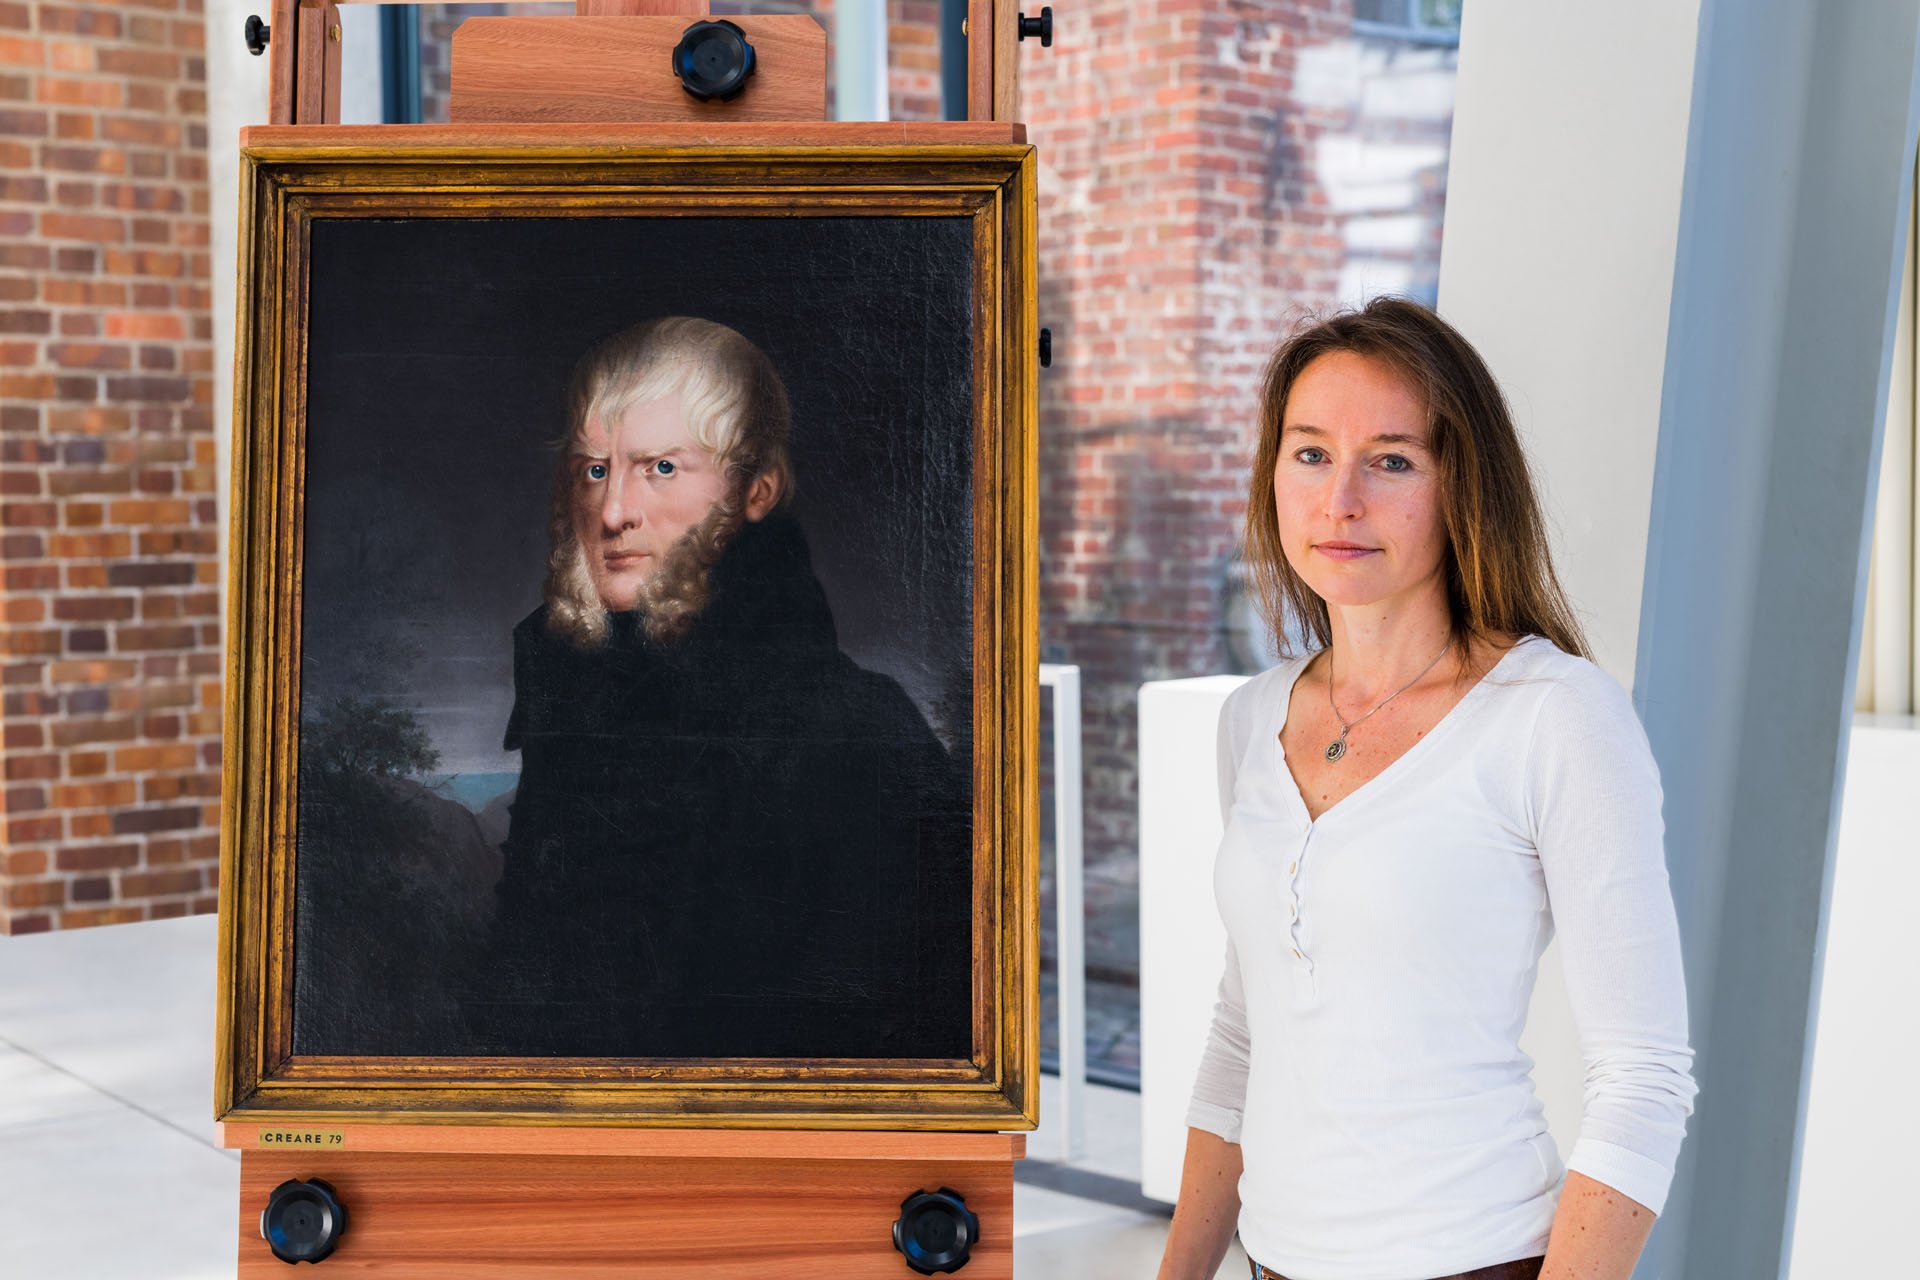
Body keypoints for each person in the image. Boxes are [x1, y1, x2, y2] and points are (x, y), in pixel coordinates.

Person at [1157, 299, 1696, 1280]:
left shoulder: (1553, 715)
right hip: (1270, 1261)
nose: (1340, 500)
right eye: (1310, 453)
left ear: (1461, 487)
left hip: (1480, 1258)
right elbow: (1243, 1033)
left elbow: (1645, 1078)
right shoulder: (1252, 717)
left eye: (1392, 459)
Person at [477, 316, 971, 1060]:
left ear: (756, 491)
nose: (613, 513)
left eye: (661, 468)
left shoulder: (859, 735)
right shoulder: (570, 693)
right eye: (594, 468)